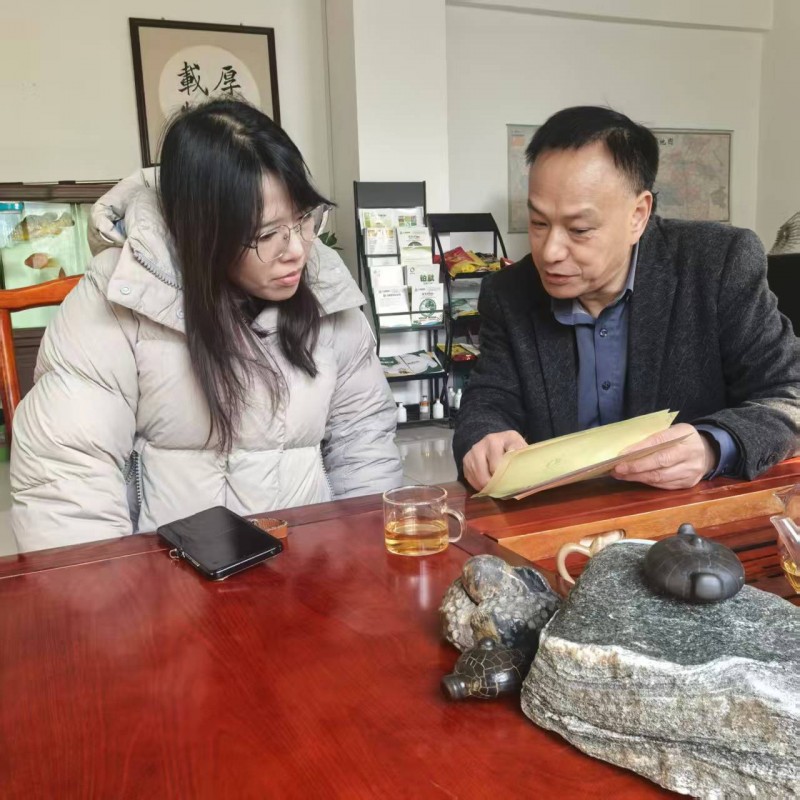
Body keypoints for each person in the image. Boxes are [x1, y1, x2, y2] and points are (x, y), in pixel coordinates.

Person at [12, 98, 402, 551]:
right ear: (202, 230)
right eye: (265, 234)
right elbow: (67, 486)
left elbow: (364, 447)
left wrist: (366, 565)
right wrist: (117, 611)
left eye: (302, 219)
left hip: (307, 576)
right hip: (167, 590)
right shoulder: (117, 297)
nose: (296, 249)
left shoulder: (327, 289)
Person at [455, 105, 800, 492]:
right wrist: (485, 435)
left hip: (688, 523)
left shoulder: (717, 264)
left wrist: (711, 446)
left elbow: (789, 392)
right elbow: (489, 397)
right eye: (538, 223)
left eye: (579, 229)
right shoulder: (508, 292)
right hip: (557, 521)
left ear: (638, 214)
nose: (549, 251)